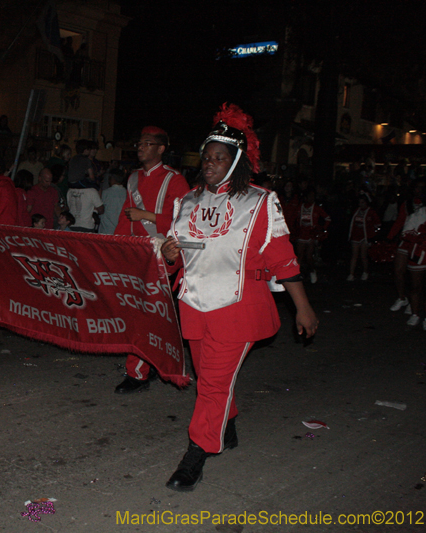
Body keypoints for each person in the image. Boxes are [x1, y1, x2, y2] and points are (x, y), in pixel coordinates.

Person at [160, 104, 318, 492]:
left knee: (213, 382)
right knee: (208, 379)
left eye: (219, 158)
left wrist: (303, 306)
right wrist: (169, 256)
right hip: (193, 304)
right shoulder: (187, 202)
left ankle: (197, 453)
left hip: (238, 306)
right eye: (207, 157)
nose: (210, 163)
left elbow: (283, 258)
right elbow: (174, 256)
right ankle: (227, 425)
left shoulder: (260, 201)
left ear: (237, 162)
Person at [113, 126, 190, 394]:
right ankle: (154, 364)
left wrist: (146, 216)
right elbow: (126, 217)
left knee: (146, 315)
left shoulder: (175, 180)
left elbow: (184, 221)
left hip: (161, 257)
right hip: (135, 254)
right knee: (144, 314)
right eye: (140, 143)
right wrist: (115, 249)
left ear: (160, 149)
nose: (140, 147)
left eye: (147, 143)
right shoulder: (132, 178)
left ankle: (138, 373)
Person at [387, 178, 426, 325]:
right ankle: (402, 298)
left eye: (422, 187)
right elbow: (400, 222)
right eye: (417, 187)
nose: (418, 190)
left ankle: (420, 311)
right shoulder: (407, 204)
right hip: (408, 241)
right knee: (399, 270)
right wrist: (389, 238)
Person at [293, 188, 330, 284]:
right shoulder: (300, 207)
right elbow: (294, 218)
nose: (311, 198)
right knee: (299, 256)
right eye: (309, 196)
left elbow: (328, 218)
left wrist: (322, 229)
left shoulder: (317, 208)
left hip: (311, 235)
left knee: (309, 257)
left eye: (313, 196)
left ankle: (312, 272)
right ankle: (297, 275)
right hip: (301, 234)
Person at [347, 192, 380, 281]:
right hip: (355, 237)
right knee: (354, 255)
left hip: (365, 237)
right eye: (359, 203)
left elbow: (377, 224)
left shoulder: (371, 212)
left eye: (363, 203)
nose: (361, 205)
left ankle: (365, 272)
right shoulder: (356, 211)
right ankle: (351, 274)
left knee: (363, 255)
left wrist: (372, 237)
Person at [98, 170, 126, 235]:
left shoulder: (106, 192)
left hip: (106, 229)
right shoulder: (126, 193)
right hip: (121, 229)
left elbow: (100, 209)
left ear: (112, 179)